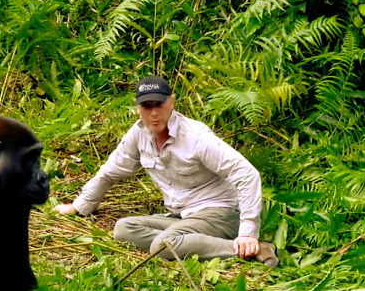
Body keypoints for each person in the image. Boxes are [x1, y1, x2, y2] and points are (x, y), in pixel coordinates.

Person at [54, 76, 278, 267]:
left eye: (159, 105)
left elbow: (247, 174)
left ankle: (253, 249)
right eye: (147, 106)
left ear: (171, 103)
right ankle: (189, 242)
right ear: (137, 107)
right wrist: (80, 206)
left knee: (163, 245)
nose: (153, 113)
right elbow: (111, 171)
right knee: (123, 228)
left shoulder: (195, 136)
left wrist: (248, 232)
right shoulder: (139, 134)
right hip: (183, 215)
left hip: (220, 212)